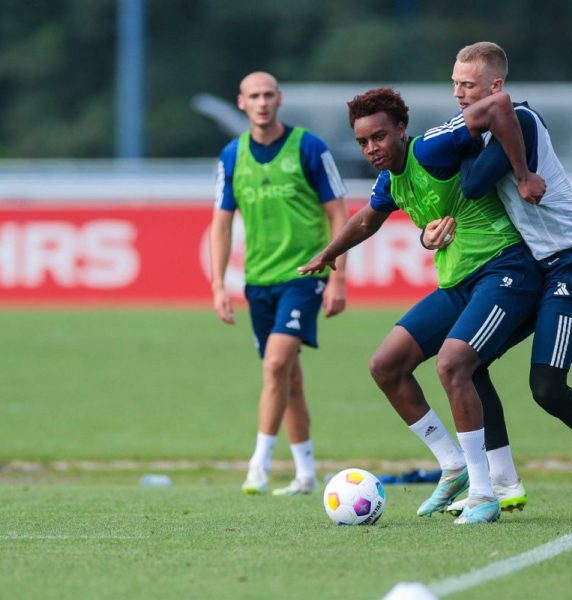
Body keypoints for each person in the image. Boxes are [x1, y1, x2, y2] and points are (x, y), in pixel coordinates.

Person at [299, 87, 546, 524]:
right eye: (362, 142)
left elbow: (498, 108)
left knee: (453, 365)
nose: (371, 148)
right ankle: (452, 465)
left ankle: (485, 493)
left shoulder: (432, 147)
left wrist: (523, 173)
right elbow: (365, 221)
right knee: (385, 365)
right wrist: (328, 253)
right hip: (459, 284)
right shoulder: (389, 180)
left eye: (379, 137)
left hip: (505, 271)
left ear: (400, 130)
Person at [426, 41, 572, 516]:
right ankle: (500, 480)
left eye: (468, 84)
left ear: (495, 87)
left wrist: (474, 157)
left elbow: (473, 183)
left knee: (547, 388)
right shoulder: (481, 131)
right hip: (535, 268)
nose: (458, 92)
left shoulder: (525, 121)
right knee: (468, 365)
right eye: (454, 82)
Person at [209, 71, 348, 496]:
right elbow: (221, 224)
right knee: (288, 378)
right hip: (259, 282)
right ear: (241, 102)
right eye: (255, 96)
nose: (263, 102)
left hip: (304, 277)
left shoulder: (309, 147)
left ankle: (258, 466)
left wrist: (338, 278)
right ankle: (306, 473)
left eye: (269, 95)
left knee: (274, 366)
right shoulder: (232, 155)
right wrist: (218, 286)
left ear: (280, 99)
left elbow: (339, 215)